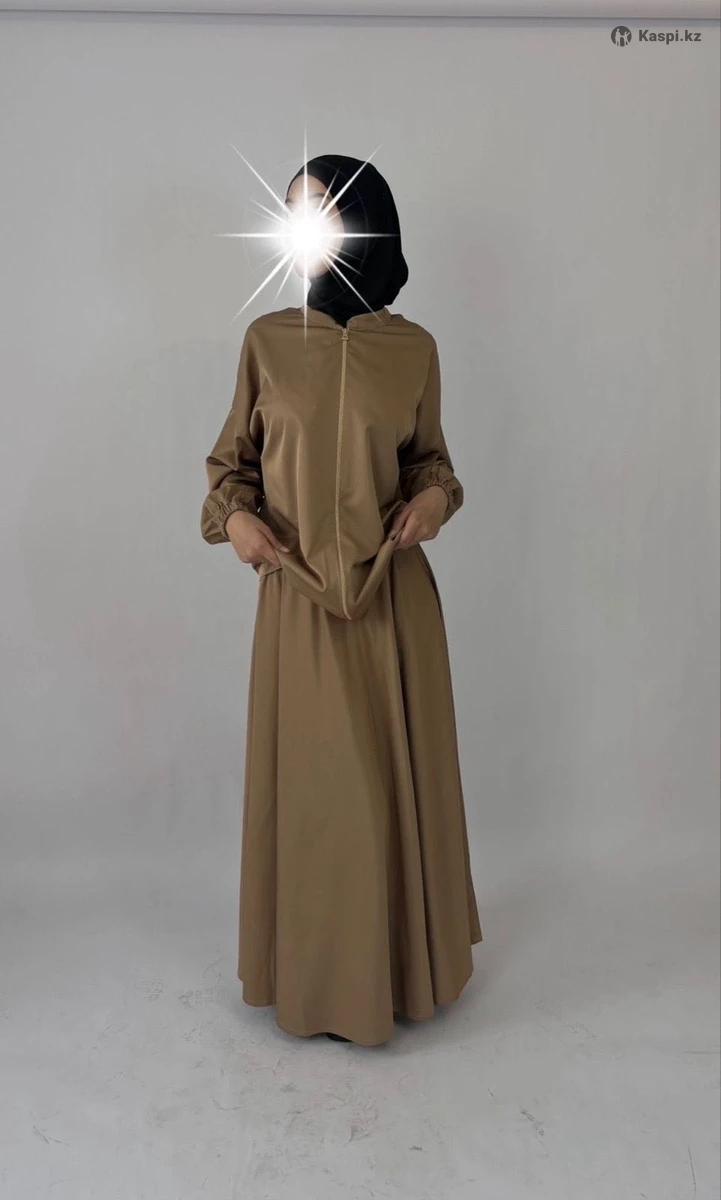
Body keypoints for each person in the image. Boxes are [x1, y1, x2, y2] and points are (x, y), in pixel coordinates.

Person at [200, 153, 482, 1047]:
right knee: (320, 796)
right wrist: (238, 522)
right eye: (293, 212)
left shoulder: (413, 350)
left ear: (364, 221)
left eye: (320, 208)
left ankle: (395, 977)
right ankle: (317, 980)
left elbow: (432, 465)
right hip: (297, 601)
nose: (304, 227)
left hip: (391, 602)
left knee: (385, 792)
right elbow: (229, 469)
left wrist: (432, 503)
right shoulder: (268, 342)